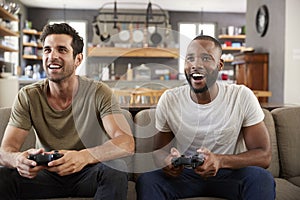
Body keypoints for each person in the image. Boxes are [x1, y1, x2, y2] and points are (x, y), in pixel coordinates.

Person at [0, 23, 134, 199]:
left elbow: (126, 142)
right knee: (3, 176)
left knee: (116, 169)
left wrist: (83, 157)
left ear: (78, 59)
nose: (52, 56)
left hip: (88, 173)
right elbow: (5, 151)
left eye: (62, 50)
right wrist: (18, 160)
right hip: (46, 174)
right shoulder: (28, 96)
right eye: (47, 50)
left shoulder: (98, 92)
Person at [136, 35, 275, 200]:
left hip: (229, 174)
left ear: (219, 65)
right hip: (186, 175)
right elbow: (159, 151)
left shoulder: (241, 96)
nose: (196, 65)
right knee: (148, 180)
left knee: (261, 178)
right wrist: (167, 162)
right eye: (190, 58)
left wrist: (220, 161)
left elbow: (264, 156)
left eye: (206, 58)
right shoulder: (170, 99)